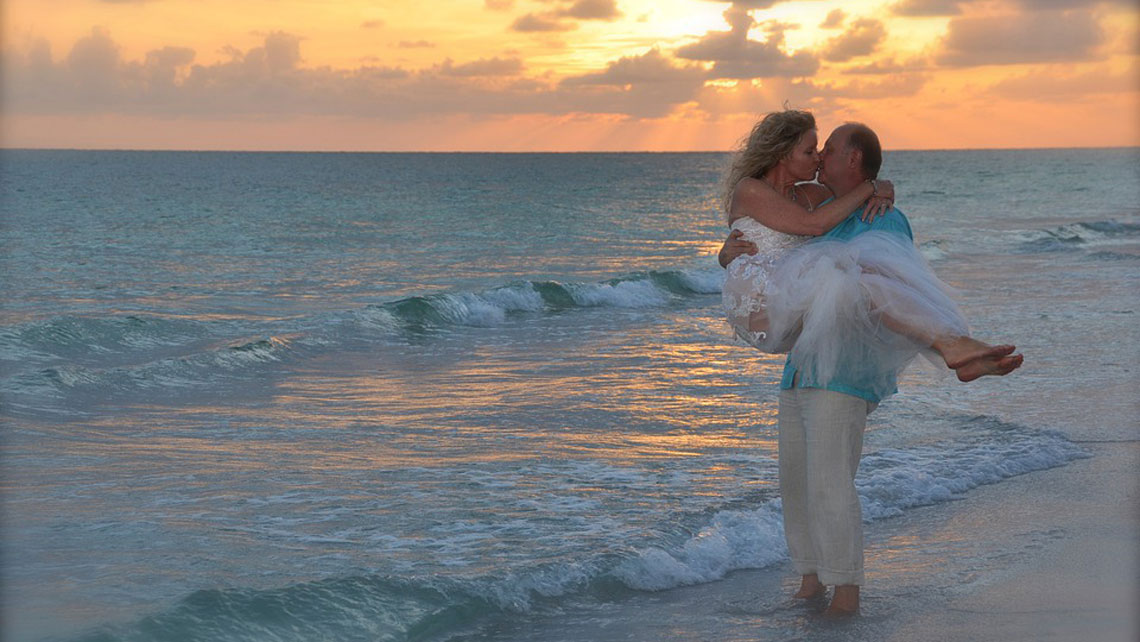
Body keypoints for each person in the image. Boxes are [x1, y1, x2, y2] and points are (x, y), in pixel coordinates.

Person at [716, 113, 1022, 617]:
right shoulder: (818, 205)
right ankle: (810, 581)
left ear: (853, 158)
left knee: (830, 484)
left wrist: (879, 190)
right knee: (796, 484)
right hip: (800, 364)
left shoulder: (883, 218)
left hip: (844, 370)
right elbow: (771, 243)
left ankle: (846, 595)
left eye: (826, 149)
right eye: (812, 149)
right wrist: (726, 255)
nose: (819, 157)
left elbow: (898, 292)